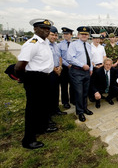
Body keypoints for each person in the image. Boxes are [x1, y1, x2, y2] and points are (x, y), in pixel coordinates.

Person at [15, 18, 57, 149]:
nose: (46, 30)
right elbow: (19, 66)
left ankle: (41, 128)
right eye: (43, 28)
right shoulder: (32, 43)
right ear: (35, 29)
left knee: (42, 106)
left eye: (48, 29)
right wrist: (25, 79)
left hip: (45, 78)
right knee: (32, 110)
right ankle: (28, 140)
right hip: (35, 79)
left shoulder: (44, 43)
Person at [67, 26, 93, 122]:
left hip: (86, 72)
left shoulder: (89, 45)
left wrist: (91, 68)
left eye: (86, 34)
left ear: (88, 35)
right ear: (78, 35)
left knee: (85, 92)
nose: (84, 36)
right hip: (77, 71)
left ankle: (85, 108)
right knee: (79, 92)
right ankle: (80, 112)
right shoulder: (73, 45)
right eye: (82, 34)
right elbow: (70, 58)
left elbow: (90, 58)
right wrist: (82, 65)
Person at [48, 26, 66, 118]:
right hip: (49, 72)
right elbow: (46, 59)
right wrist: (54, 69)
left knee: (56, 91)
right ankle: (49, 112)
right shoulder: (45, 45)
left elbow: (59, 57)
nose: (54, 37)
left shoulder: (56, 45)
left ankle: (56, 109)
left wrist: (60, 67)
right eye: (52, 35)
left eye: (55, 35)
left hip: (57, 71)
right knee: (49, 93)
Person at [58, 27, 74, 109]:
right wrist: (67, 64)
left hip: (73, 67)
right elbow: (59, 57)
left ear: (71, 35)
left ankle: (72, 100)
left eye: (67, 34)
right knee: (64, 86)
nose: (65, 35)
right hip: (64, 67)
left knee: (73, 84)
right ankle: (65, 102)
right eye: (64, 34)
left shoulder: (74, 44)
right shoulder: (60, 45)